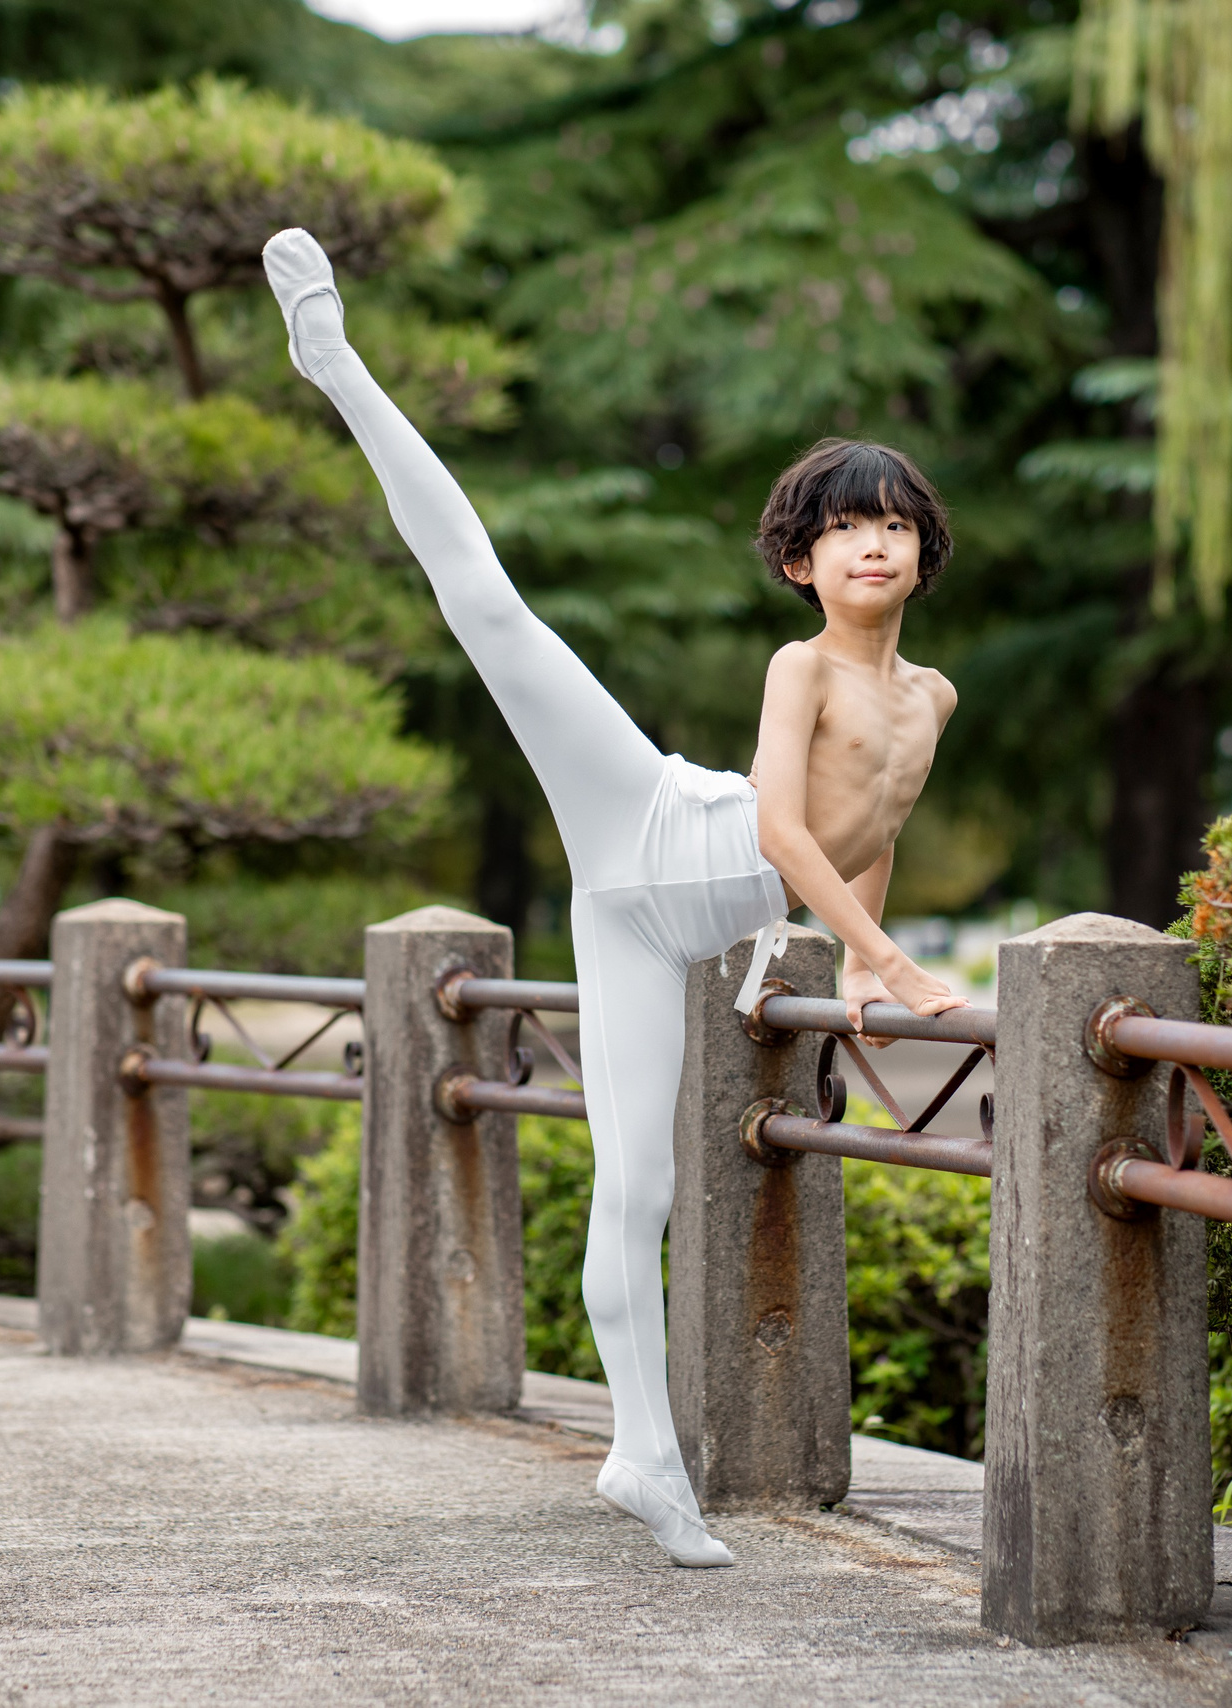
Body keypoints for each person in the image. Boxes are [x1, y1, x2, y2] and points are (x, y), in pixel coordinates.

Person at [263, 229, 966, 1568]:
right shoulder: (800, 666)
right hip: (644, 821)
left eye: (890, 527)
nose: (867, 546)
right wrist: (884, 956)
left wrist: (857, 963)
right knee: (493, 610)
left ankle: (642, 1461)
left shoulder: (930, 697)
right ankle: (339, 365)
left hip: (660, 923)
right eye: (840, 531)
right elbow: (773, 821)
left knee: (640, 1182)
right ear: (798, 564)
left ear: (924, 551)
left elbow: (872, 825)